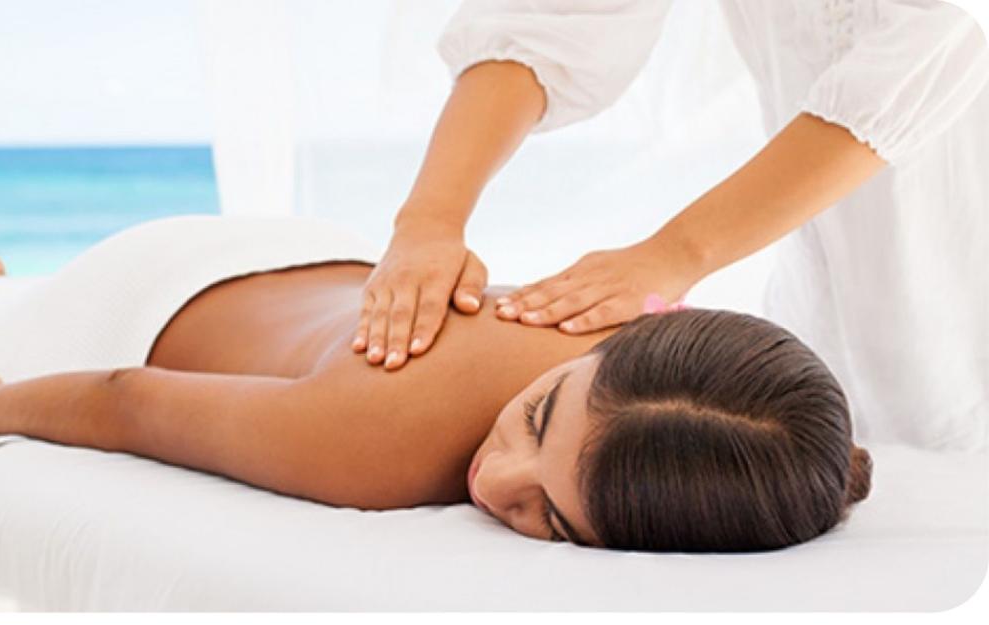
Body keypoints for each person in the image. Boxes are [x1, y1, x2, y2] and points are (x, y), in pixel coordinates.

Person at [0, 215, 872, 553]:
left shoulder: (661, 347)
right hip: (149, 290)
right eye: (534, 418)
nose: (494, 478)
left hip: (307, 257)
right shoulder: (370, 445)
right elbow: (125, 396)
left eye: (546, 517)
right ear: (634, 336)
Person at [356, 0, 987, 451]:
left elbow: (938, 48)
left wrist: (676, 253)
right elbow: (556, 20)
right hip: (828, 306)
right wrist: (430, 219)